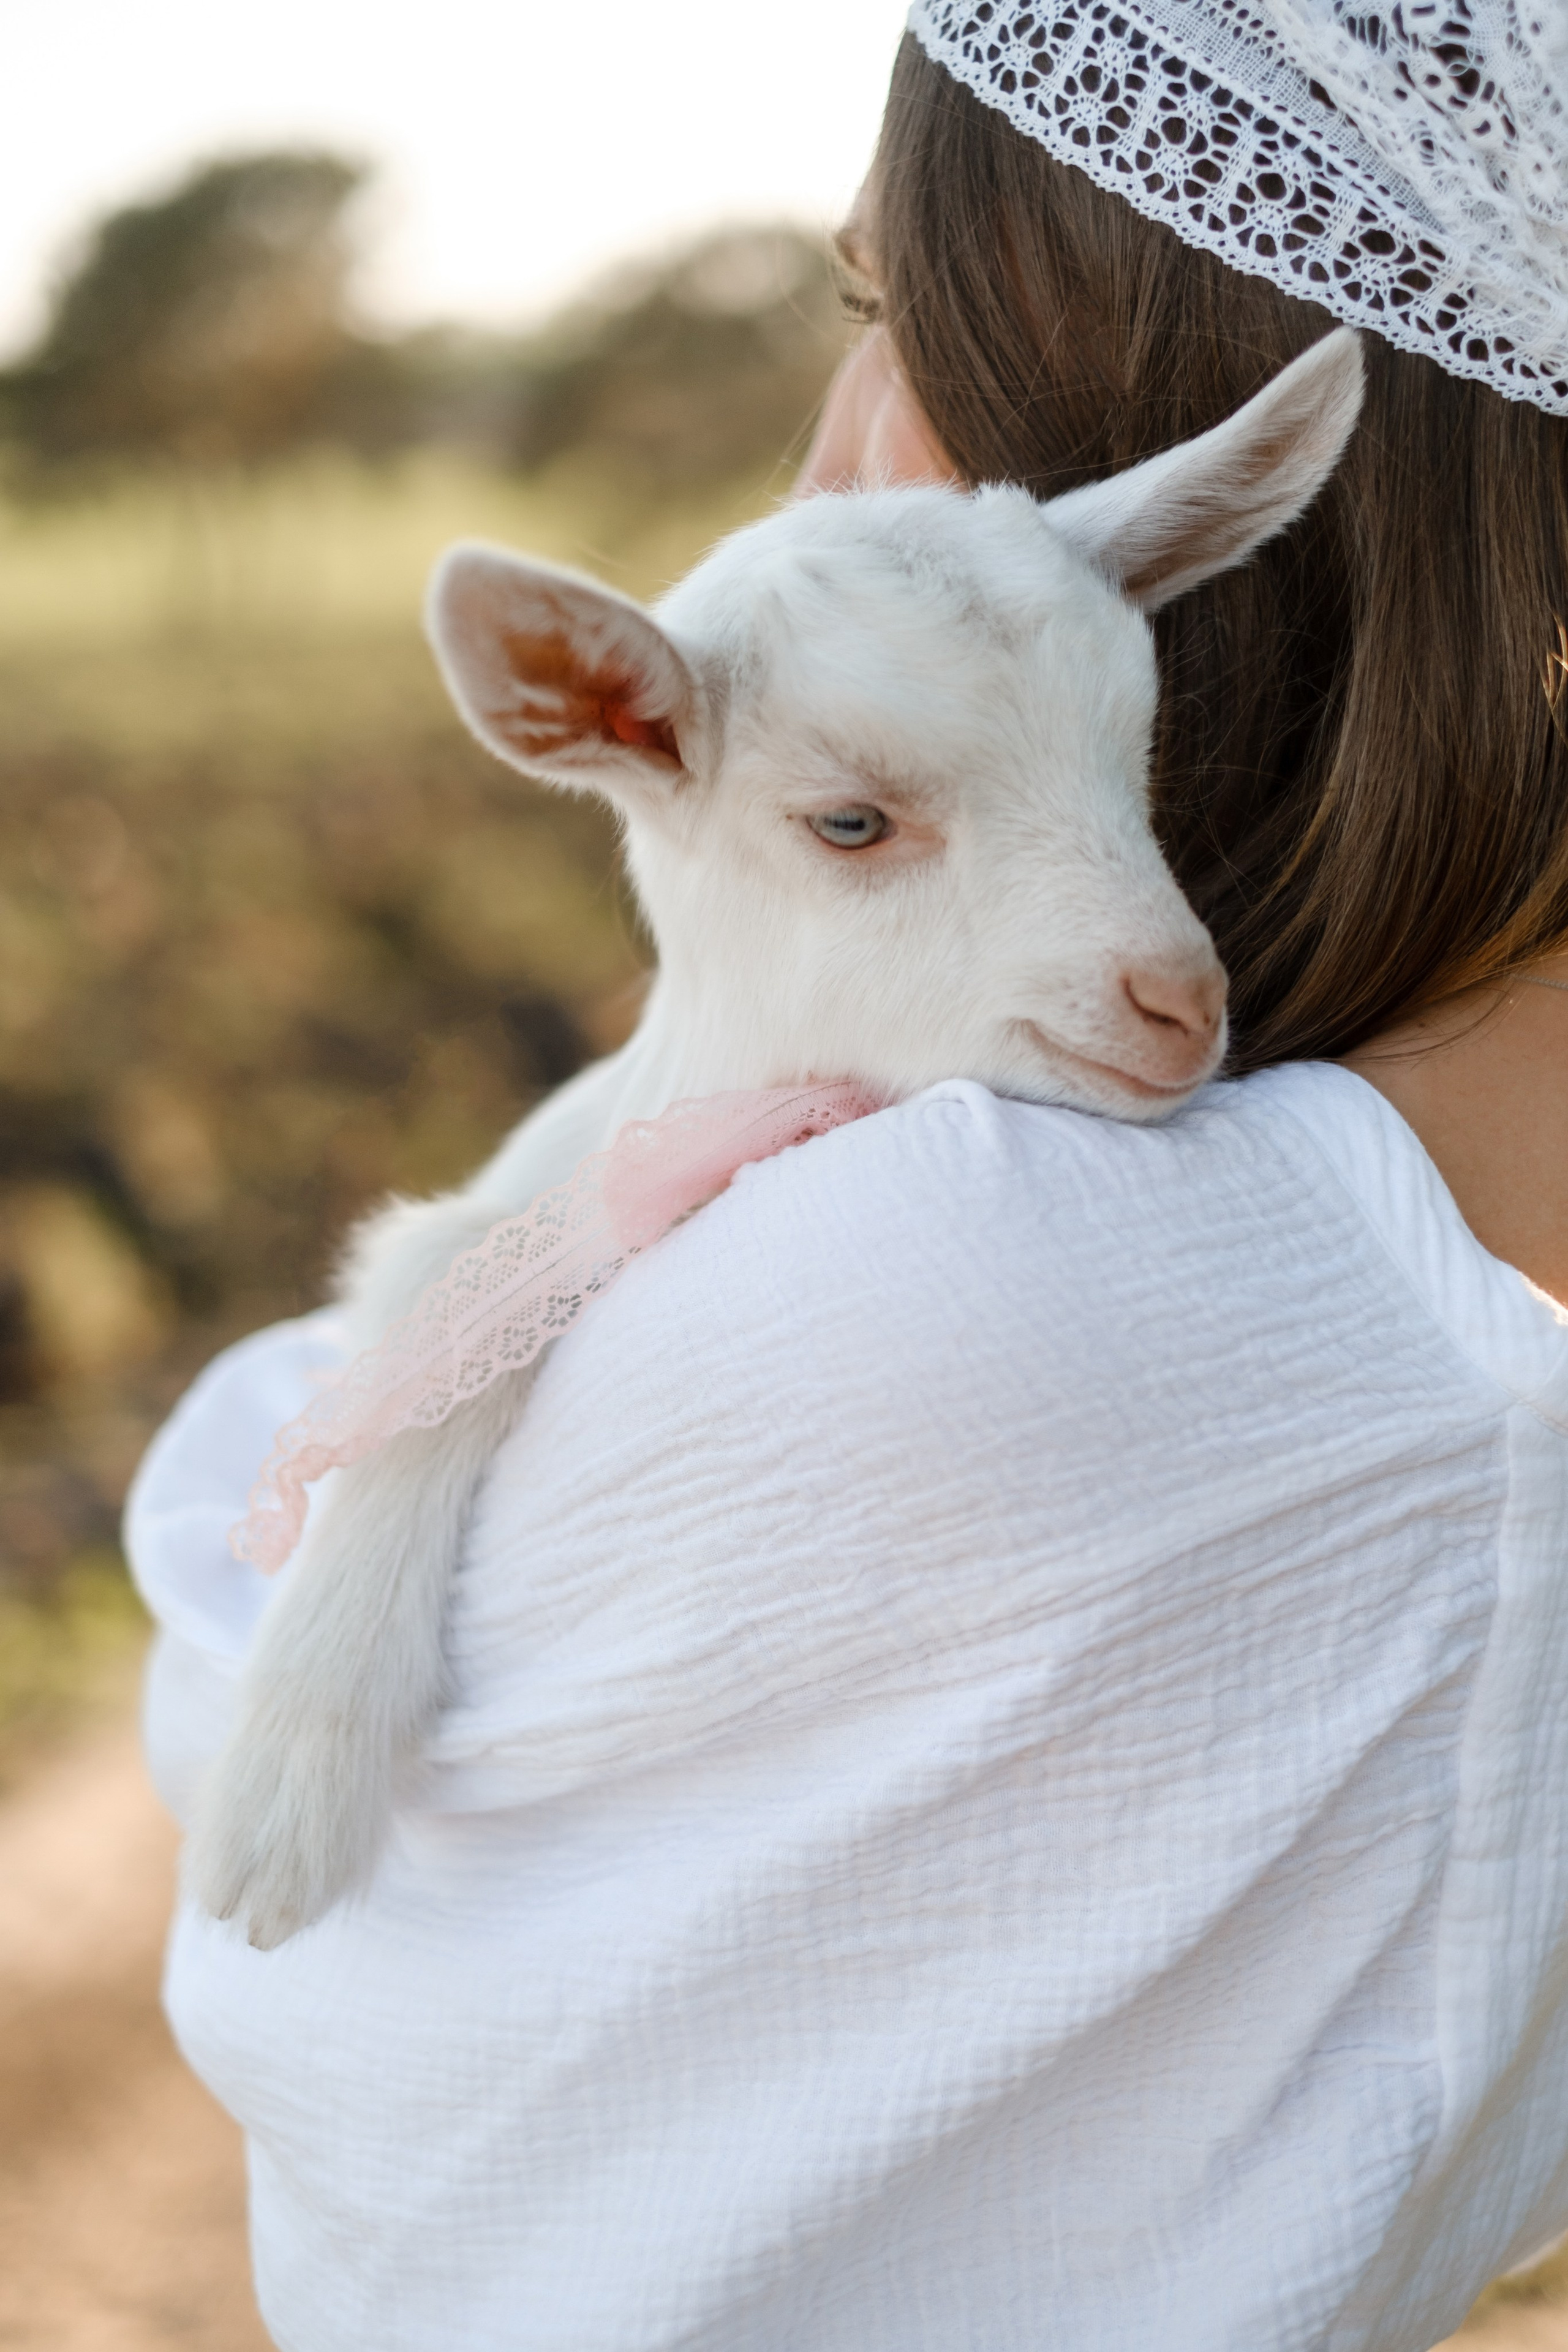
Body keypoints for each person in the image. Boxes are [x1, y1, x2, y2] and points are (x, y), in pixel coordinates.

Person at [127, 7, 1568, 2348]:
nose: (830, 458)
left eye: (897, 310)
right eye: (848, 305)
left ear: (1140, 399)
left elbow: (244, 1714)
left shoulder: (970, 1256)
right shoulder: (1412, 1230)